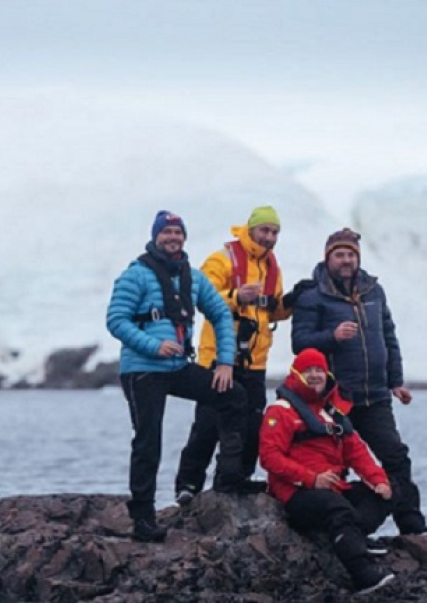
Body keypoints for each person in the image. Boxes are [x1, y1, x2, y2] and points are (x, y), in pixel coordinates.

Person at [106, 210, 248, 543]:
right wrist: (153, 345)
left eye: (178, 233)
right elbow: (116, 320)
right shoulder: (135, 275)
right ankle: (143, 518)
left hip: (178, 367)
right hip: (143, 370)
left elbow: (222, 316)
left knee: (233, 395)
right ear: (156, 237)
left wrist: (225, 362)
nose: (173, 238)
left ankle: (228, 480)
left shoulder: (193, 277)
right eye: (167, 233)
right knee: (148, 440)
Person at [290, 228, 427, 535]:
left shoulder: (373, 291)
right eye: (339, 254)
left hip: (376, 395)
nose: (346, 260)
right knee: (335, 465)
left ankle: (411, 524)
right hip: (336, 398)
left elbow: (388, 336)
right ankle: (339, 531)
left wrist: (397, 381)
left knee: (395, 457)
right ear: (328, 258)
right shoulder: (313, 296)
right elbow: (299, 343)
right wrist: (332, 336)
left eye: (351, 254)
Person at [174, 206, 291, 504]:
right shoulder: (223, 258)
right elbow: (199, 295)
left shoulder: (272, 267)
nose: (269, 237)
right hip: (218, 357)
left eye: (274, 232)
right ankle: (188, 484)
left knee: (252, 425)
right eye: (264, 230)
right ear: (251, 229)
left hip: (255, 360)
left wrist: (291, 303)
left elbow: (271, 309)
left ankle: (236, 479)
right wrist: (236, 297)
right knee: (209, 422)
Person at [259, 348, 396, 595]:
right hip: (295, 493)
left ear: (327, 374)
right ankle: (363, 575)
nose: (314, 375)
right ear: (296, 375)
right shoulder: (280, 411)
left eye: (319, 370)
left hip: (332, 488)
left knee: (383, 495)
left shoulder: (331, 413)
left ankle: (351, 537)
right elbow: (269, 457)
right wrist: (311, 479)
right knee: (337, 507)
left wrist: (379, 481)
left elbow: (356, 451)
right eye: (307, 370)